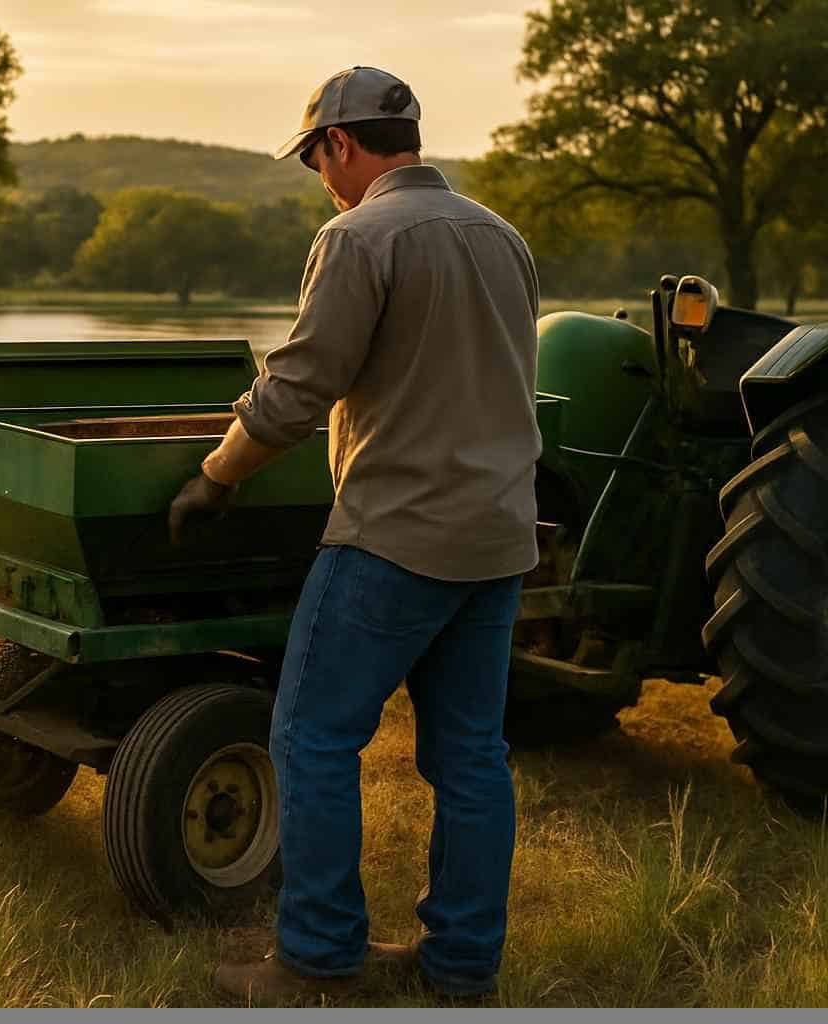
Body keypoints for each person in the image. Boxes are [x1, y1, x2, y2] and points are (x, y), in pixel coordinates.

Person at [169, 65, 541, 1002]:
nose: (318, 181)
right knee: (470, 757)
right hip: (496, 540)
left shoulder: (357, 234)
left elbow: (296, 392)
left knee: (311, 735)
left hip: (395, 537)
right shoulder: (503, 238)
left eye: (314, 160)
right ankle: (462, 968)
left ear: (341, 143)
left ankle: (317, 958)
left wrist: (213, 479)